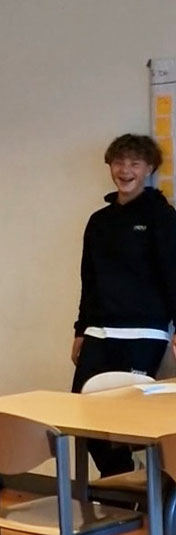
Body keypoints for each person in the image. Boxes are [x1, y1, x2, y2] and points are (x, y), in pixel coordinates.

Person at [71, 134, 176, 477]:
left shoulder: (161, 217)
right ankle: (119, 486)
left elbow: (173, 276)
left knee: (133, 423)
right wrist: (80, 331)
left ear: (149, 169)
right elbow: (89, 281)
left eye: (134, 163)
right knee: (83, 417)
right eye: (119, 162)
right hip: (99, 334)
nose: (125, 170)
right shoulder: (99, 221)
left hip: (144, 333)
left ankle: (144, 495)